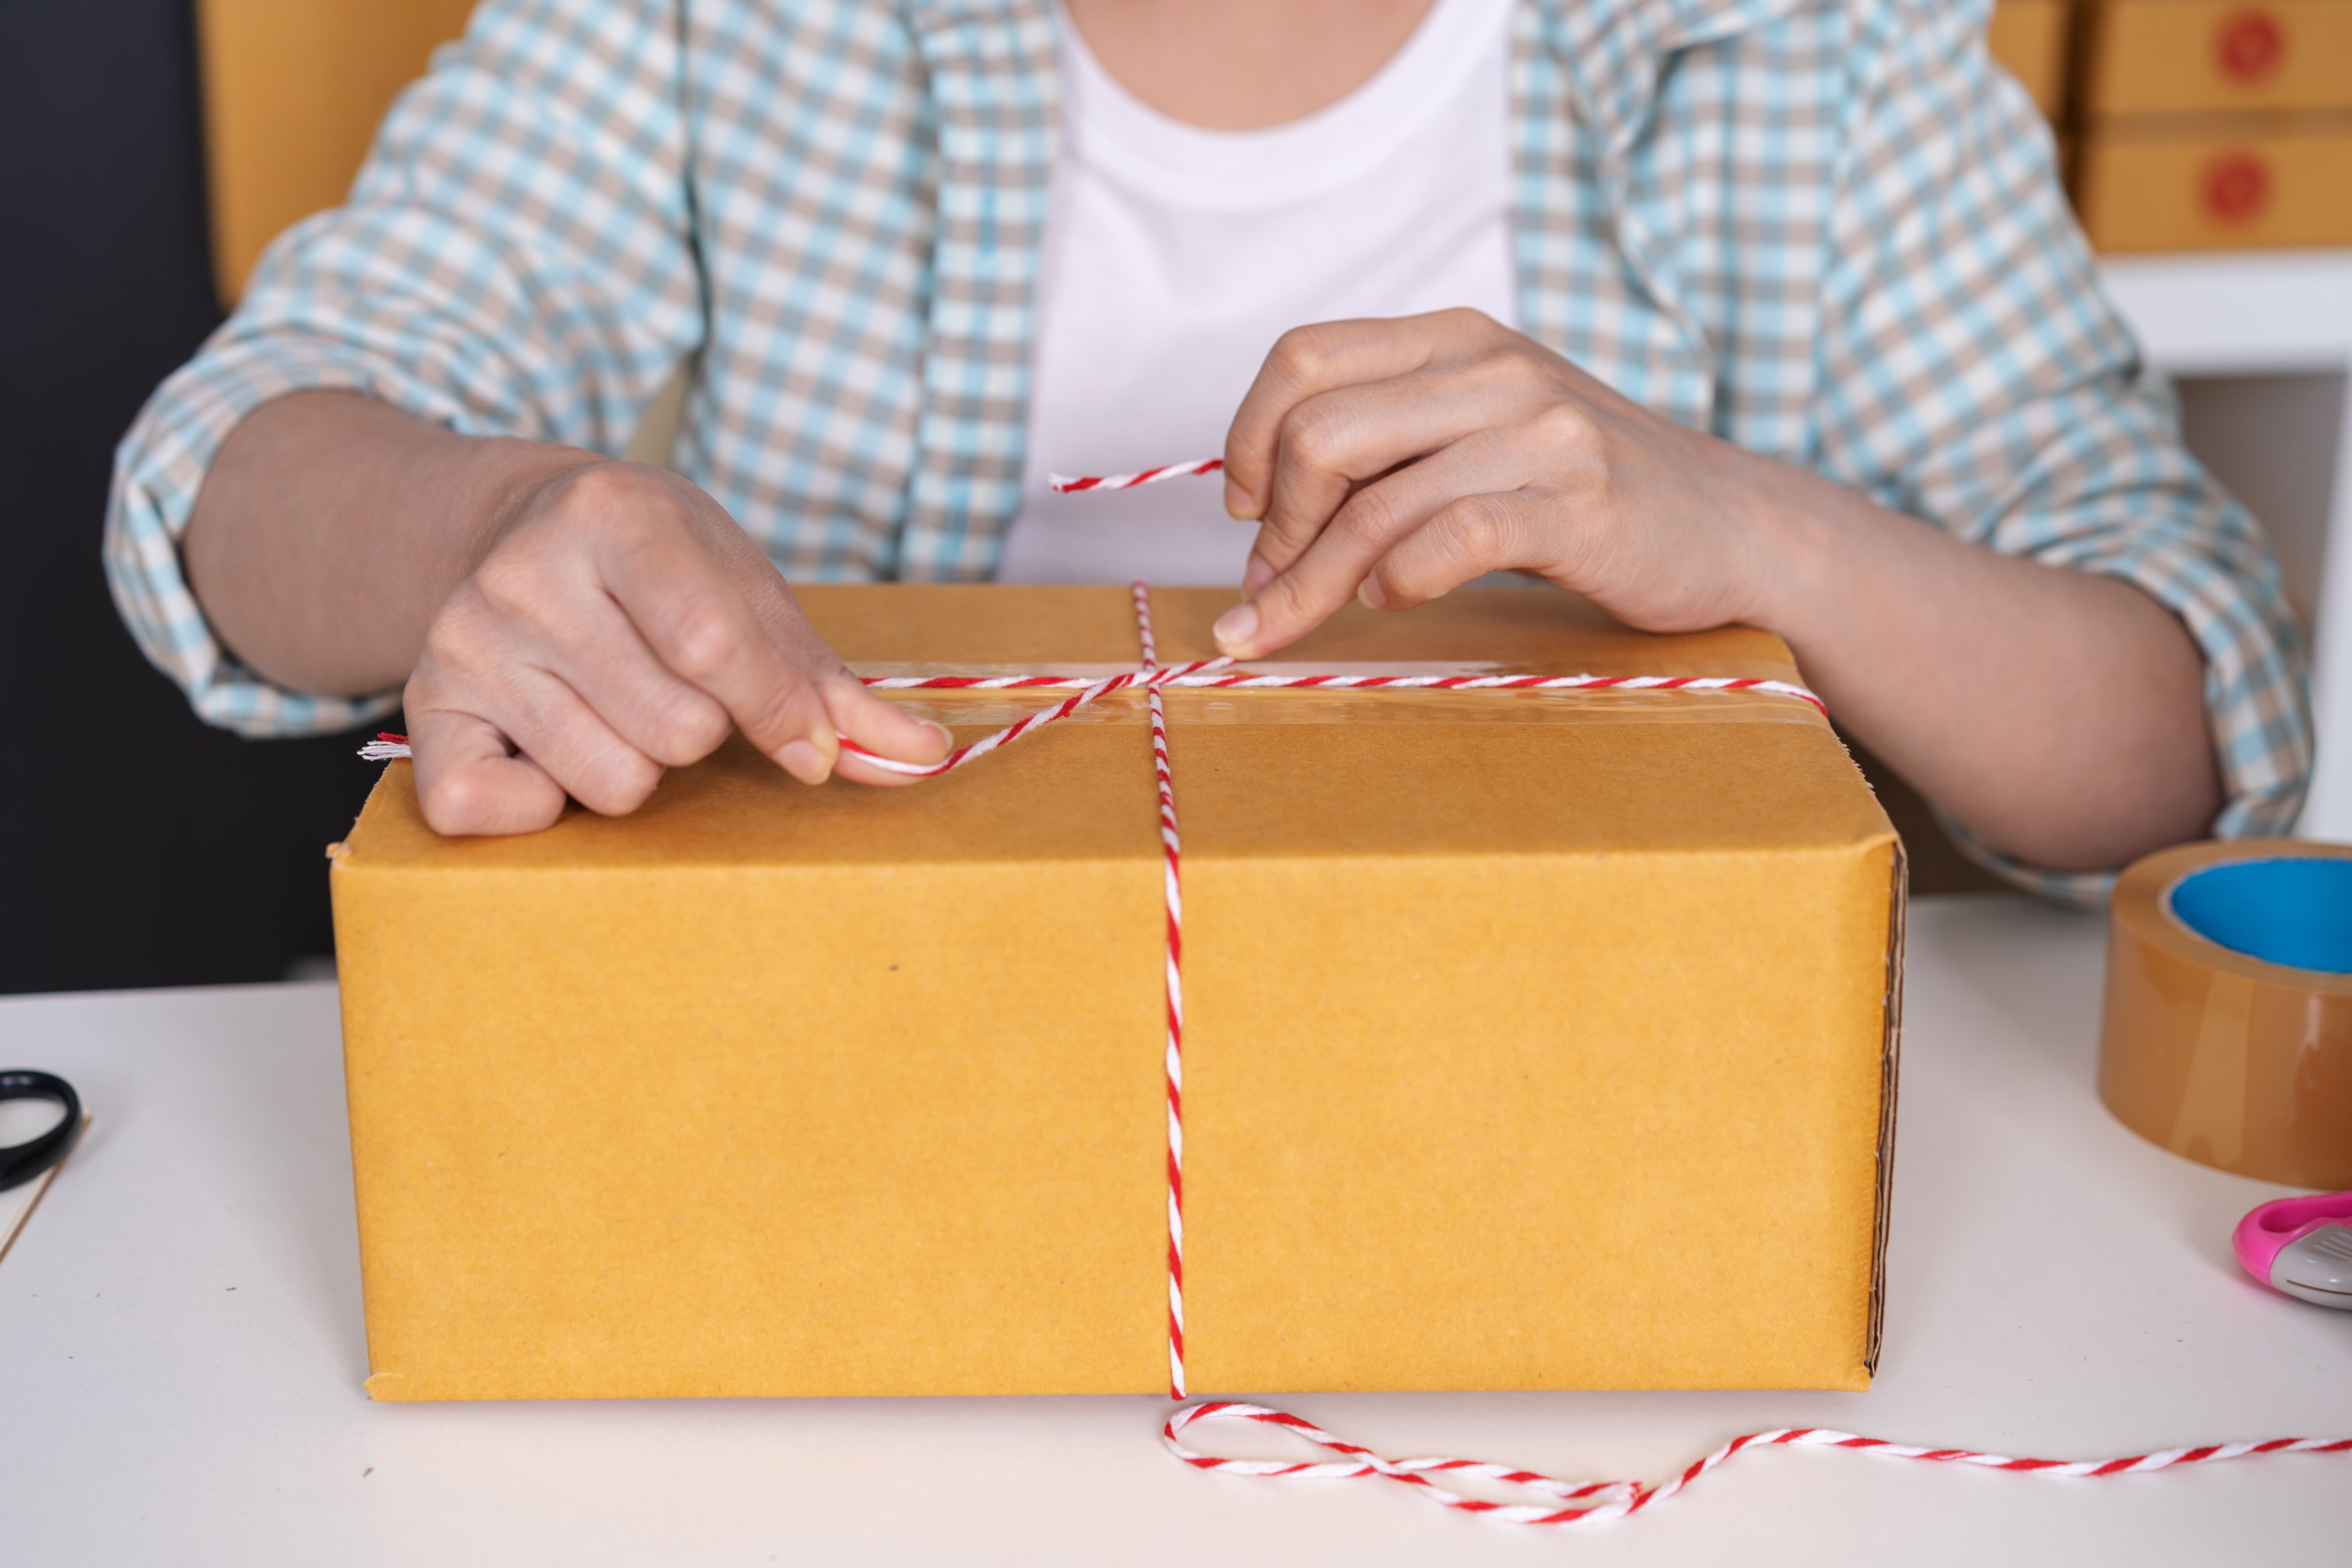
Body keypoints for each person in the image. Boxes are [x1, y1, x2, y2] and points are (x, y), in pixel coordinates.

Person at [108, 0, 2309, 905]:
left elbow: (2193, 738)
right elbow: (225, 476)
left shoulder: (1808, 48)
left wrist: (1756, 532)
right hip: (863, 1090)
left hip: (1577, 1145)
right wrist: (491, 527)